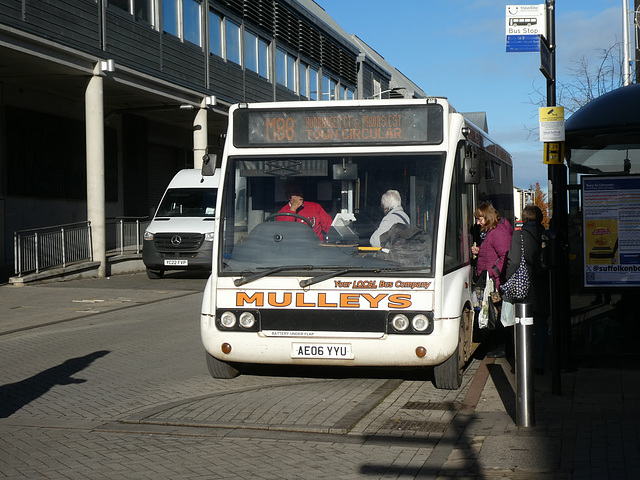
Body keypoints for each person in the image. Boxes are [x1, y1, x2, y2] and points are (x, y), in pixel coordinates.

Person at [504, 205, 550, 374]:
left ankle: (522, 364)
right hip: (543, 286)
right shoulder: (546, 235)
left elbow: (514, 261)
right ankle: (538, 363)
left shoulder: (519, 235)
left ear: (524, 218)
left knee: (522, 326)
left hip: (524, 286)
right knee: (541, 325)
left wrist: (508, 278)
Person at [471, 202, 513, 358]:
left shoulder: (497, 232)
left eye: (480, 219)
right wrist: (481, 250)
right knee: (494, 313)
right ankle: (496, 345)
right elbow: (493, 252)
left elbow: (506, 255)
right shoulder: (492, 231)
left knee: (497, 313)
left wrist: (493, 271)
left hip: (495, 283)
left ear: (487, 217)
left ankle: (501, 346)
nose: (478, 222)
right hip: (492, 281)